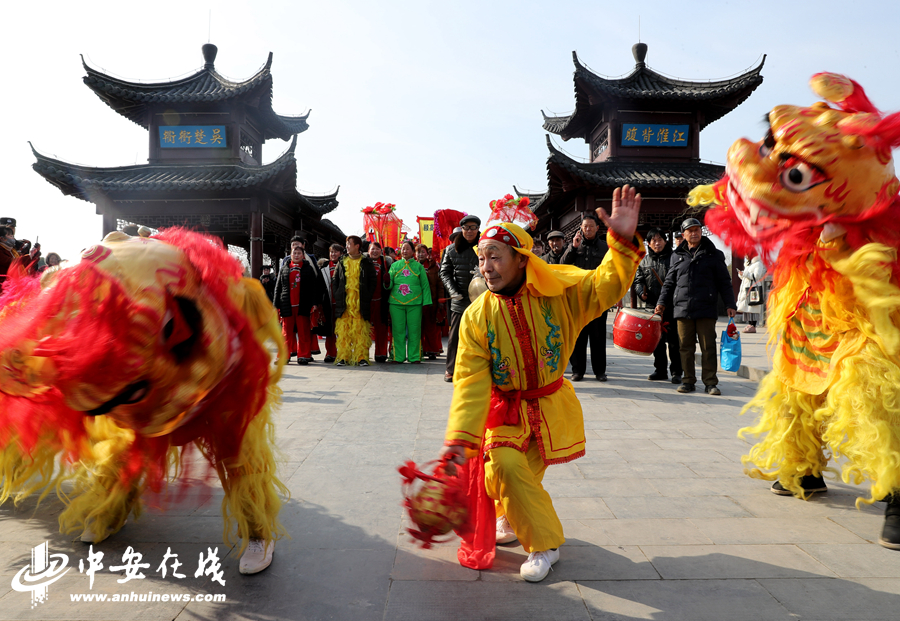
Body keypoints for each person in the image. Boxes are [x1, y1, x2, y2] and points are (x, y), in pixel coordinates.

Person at [439, 186, 644, 582]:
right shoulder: (477, 316)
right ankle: (542, 541)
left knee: (520, 475)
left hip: (549, 406)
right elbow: (469, 383)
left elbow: (606, 286)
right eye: (481, 258)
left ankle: (525, 530)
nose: (486, 267)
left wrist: (620, 244)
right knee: (501, 466)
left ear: (522, 258)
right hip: (505, 411)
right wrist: (461, 439)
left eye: (495, 256)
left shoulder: (558, 295)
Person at [655, 218, 736, 395]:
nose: (694, 233)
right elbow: (669, 282)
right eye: (690, 230)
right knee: (685, 347)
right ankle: (688, 381)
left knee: (708, 347)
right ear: (683, 234)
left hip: (706, 307)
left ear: (701, 232)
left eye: (697, 230)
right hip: (683, 308)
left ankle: (710, 383)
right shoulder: (676, 256)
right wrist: (661, 303)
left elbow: (724, 281)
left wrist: (730, 304)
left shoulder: (714, 254)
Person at [562, 213, 611, 381]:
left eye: (591, 226)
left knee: (598, 337)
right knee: (578, 337)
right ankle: (578, 371)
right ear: (581, 229)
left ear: (597, 228)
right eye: (585, 226)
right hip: (578, 299)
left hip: (598, 299)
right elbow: (563, 265)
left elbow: (612, 270)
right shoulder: (575, 246)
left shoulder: (605, 248)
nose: (588, 229)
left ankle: (600, 372)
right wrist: (573, 248)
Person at [634, 228, 682, 383]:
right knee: (657, 341)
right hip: (652, 307)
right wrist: (641, 292)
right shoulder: (644, 261)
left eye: (660, 239)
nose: (657, 243)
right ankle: (660, 370)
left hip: (672, 307)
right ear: (648, 243)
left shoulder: (675, 258)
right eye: (653, 240)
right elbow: (638, 281)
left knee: (675, 342)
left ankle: (677, 372)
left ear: (665, 241)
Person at [440, 215, 481, 382]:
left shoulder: (485, 246)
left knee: (481, 335)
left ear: (478, 229)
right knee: (455, 335)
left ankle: (479, 369)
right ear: (461, 229)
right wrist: (453, 291)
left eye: (473, 227)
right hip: (459, 298)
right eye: (466, 228)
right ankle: (450, 369)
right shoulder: (451, 249)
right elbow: (444, 272)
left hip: (482, 297)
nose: (469, 231)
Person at [273, 240, 321, 365]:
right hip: (287, 305)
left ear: (303, 255)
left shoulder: (308, 269)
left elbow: (314, 288)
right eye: (294, 253)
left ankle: (304, 355)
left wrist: (314, 303)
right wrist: (275, 305)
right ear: (291, 254)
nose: (296, 255)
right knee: (286, 333)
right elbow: (278, 288)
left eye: (299, 253)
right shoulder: (284, 268)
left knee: (303, 332)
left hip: (303, 305)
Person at [332, 235, 377, 366]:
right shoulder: (342, 261)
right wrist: (337, 294)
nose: (346, 247)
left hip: (360, 304)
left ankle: (361, 357)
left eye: (349, 244)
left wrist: (367, 295)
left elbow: (372, 281)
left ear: (357, 246)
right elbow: (335, 280)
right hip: (344, 303)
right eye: (346, 244)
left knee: (360, 331)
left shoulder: (366, 262)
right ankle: (343, 357)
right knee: (343, 331)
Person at [387, 241, 432, 363]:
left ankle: (415, 356)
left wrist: (426, 303)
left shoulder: (419, 267)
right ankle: (398, 356)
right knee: (398, 330)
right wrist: (386, 282)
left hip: (415, 303)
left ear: (412, 251)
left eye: (407, 249)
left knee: (415, 330)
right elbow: (389, 285)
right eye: (403, 248)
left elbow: (425, 286)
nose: (405, 251)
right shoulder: (394, 266)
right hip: (396, 302)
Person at [417, 244, 446, 359]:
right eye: (418, 252)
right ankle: (420, 350)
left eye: (423, 252)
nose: (421, 254)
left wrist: (440, 300)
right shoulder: (412, 266)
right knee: (418, 327)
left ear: (427, 254)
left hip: (431, 301)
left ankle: (432, 350)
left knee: (431, 327)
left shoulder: (434, 266)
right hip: (416, 301)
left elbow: (440, 285)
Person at [366, 241, 392, 362]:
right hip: (367, 301)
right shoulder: (364, 262)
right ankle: (363, 353)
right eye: (372, 249)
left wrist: (388, 281)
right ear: (368, 251)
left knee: (381, 328)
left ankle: (381, 353)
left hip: (381, 301)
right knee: (365, 328)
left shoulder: (387, 263)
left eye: (377, 249)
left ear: (381, 251)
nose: (375, 251)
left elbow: (391, 284)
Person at [318, 243, 344, 363]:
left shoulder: (346, 265)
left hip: (342, 303)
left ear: (341, 253)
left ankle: (343, 353)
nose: (333, 254)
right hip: (328, 302)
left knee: (342, 330)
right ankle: (330, 353)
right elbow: (319, 286)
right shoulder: (324, 267)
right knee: (330, 330)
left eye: (336, 252)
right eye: (331, 252)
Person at [736, 253, 766, 333]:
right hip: (747, 288)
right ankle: (749, 324)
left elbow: (756, 276)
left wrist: (745, 274)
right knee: (748, 307)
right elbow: (747, 276)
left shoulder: (758, 263)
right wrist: (741, 274)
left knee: (753, 306)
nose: (745, 256)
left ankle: (753, 325)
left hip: (754, 288)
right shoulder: (748, 264)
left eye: (747, 254)